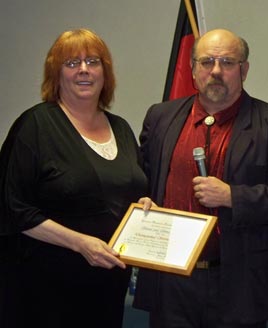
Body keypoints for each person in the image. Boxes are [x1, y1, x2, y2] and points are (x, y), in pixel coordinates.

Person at [133, 28, 268, 328]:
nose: (216, 71)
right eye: (206, 62)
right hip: (170, 283)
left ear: (244, 70)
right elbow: (142, 178)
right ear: (193, 69)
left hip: (236, 286)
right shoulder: (161, 117)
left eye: (227, 62)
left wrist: (232, 196)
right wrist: (143, 198)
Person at [0, 28, 148, 328]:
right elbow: (13, 208)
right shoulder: (35, 125)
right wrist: (80, 243)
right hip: (46, 290)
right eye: (72, 63)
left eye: (93, 62)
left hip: (108, 287)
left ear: (105, 73)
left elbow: (125, 192)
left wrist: (144, 206)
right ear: (56, 74)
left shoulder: (120, 127)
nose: (84, 70)